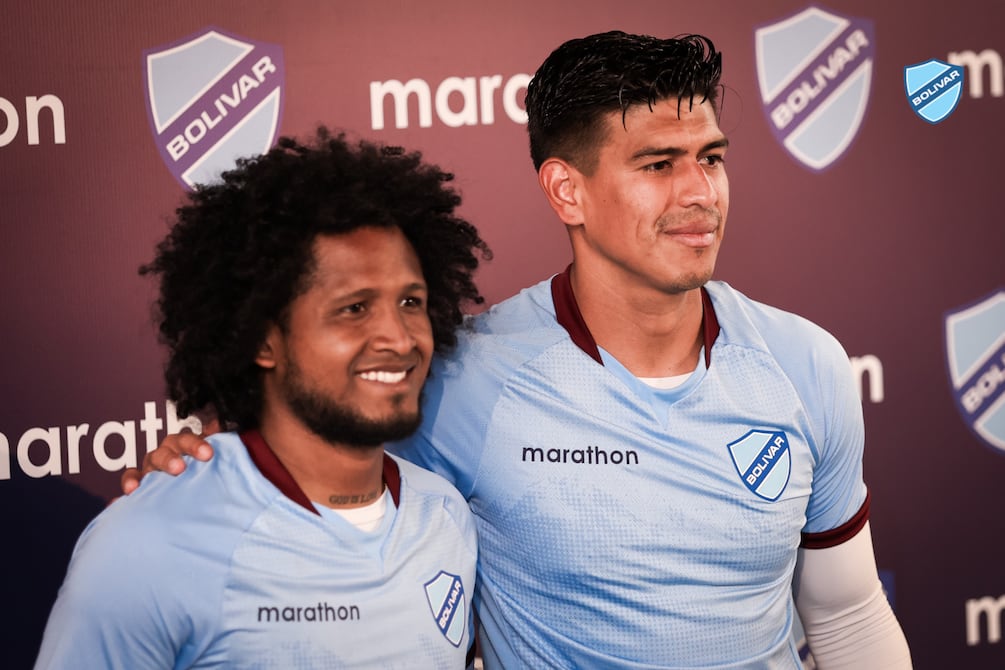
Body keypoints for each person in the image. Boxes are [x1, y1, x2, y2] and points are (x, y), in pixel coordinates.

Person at [122, 32, 913, 668]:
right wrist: (203, 467)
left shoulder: (804, 363)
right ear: (567, 190)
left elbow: (845, 613)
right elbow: (301, 470)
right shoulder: (462, 377)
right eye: (657, 165)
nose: (700, 193)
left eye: (709, 158)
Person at [37, 128, 490, 668]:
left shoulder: (445, 515)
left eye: (411, 302)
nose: (399, 337)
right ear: (261, 339)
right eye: (354, 308)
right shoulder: (147, 543)